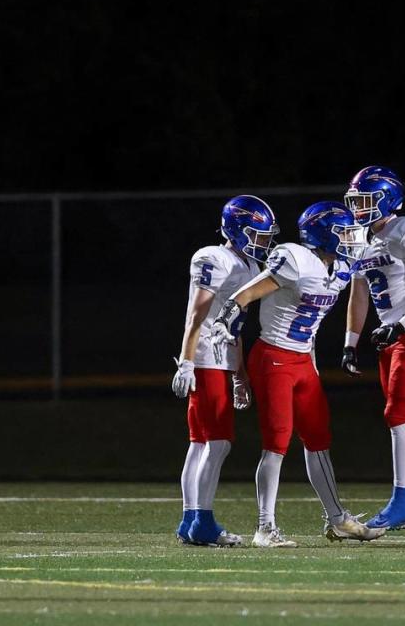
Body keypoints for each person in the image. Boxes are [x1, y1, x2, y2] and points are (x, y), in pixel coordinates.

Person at [210, 201, 385, 545]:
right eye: (344, 231)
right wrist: (225, 317)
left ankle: (337, 519)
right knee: (277, 443)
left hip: (303, 359)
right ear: (323, 235)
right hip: (273, 356)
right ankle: (264, 528)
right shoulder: (295, 257)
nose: (352, 238)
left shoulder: (342, 267)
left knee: (318, 439)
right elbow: (246, 293)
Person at [341, 166, 405, 530]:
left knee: (398, 414)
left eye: (366, 199)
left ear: (387, 199)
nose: (358, 207)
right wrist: (350, 343)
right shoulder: (358, 236)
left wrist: (402, 324)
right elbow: (359, 295)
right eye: (355, 200)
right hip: (392, 335)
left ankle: (403, 501)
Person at [171, 195, 278, 547]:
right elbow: (196, 313)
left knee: (201, 443)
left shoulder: (247, 266)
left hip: (220, 359)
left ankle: (191, 520)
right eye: (258, 234)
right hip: (204, 358)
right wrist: (187, 360)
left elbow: (235, 325)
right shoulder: (213, 257)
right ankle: (201, 519)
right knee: (216, 443)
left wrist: (240, 374)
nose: (264, 242)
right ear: (237, 229)